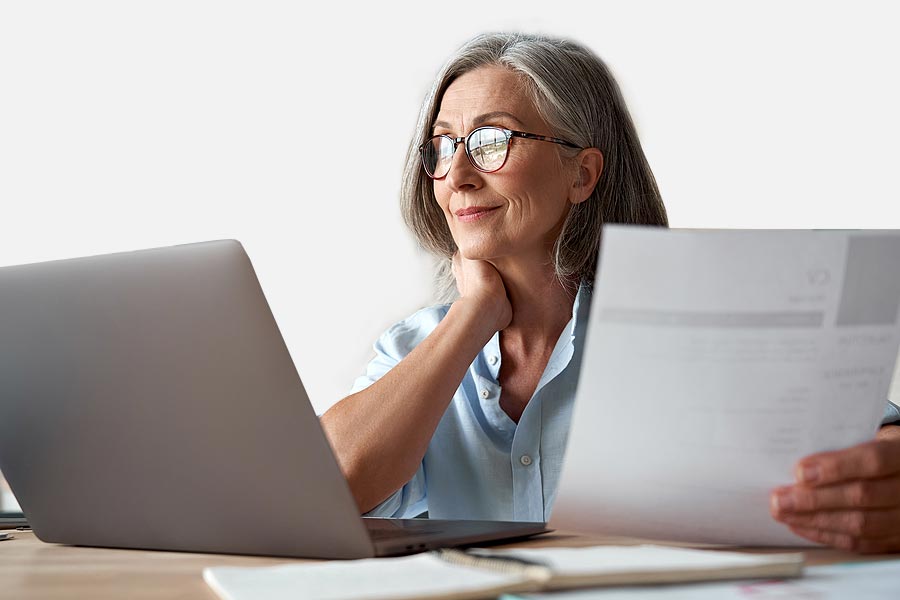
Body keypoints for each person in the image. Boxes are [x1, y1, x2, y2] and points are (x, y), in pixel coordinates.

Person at [320, 32, 900, 553]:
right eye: (443, 146)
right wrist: (473, 315)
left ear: (583, 174)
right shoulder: (414, 349)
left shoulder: (685, 323)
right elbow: (329, 489)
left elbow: (871, 433)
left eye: (492, 140)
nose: (460, 174)